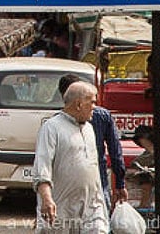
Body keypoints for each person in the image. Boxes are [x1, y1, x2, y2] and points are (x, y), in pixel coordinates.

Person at [33, 81, 108, 234]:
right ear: (79, 104)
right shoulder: (51, 128)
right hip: (60, 210)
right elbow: (42, 167)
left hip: (92, 209)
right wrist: (47, 199)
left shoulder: (89, 129)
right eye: (92, 102)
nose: (95, 107)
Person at [57, 74, 126, 209]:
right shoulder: (102, 116)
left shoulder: (55, 123)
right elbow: (116, 153)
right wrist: (120, 184)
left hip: (71, 186)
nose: (93, 107)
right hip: (97, 182)